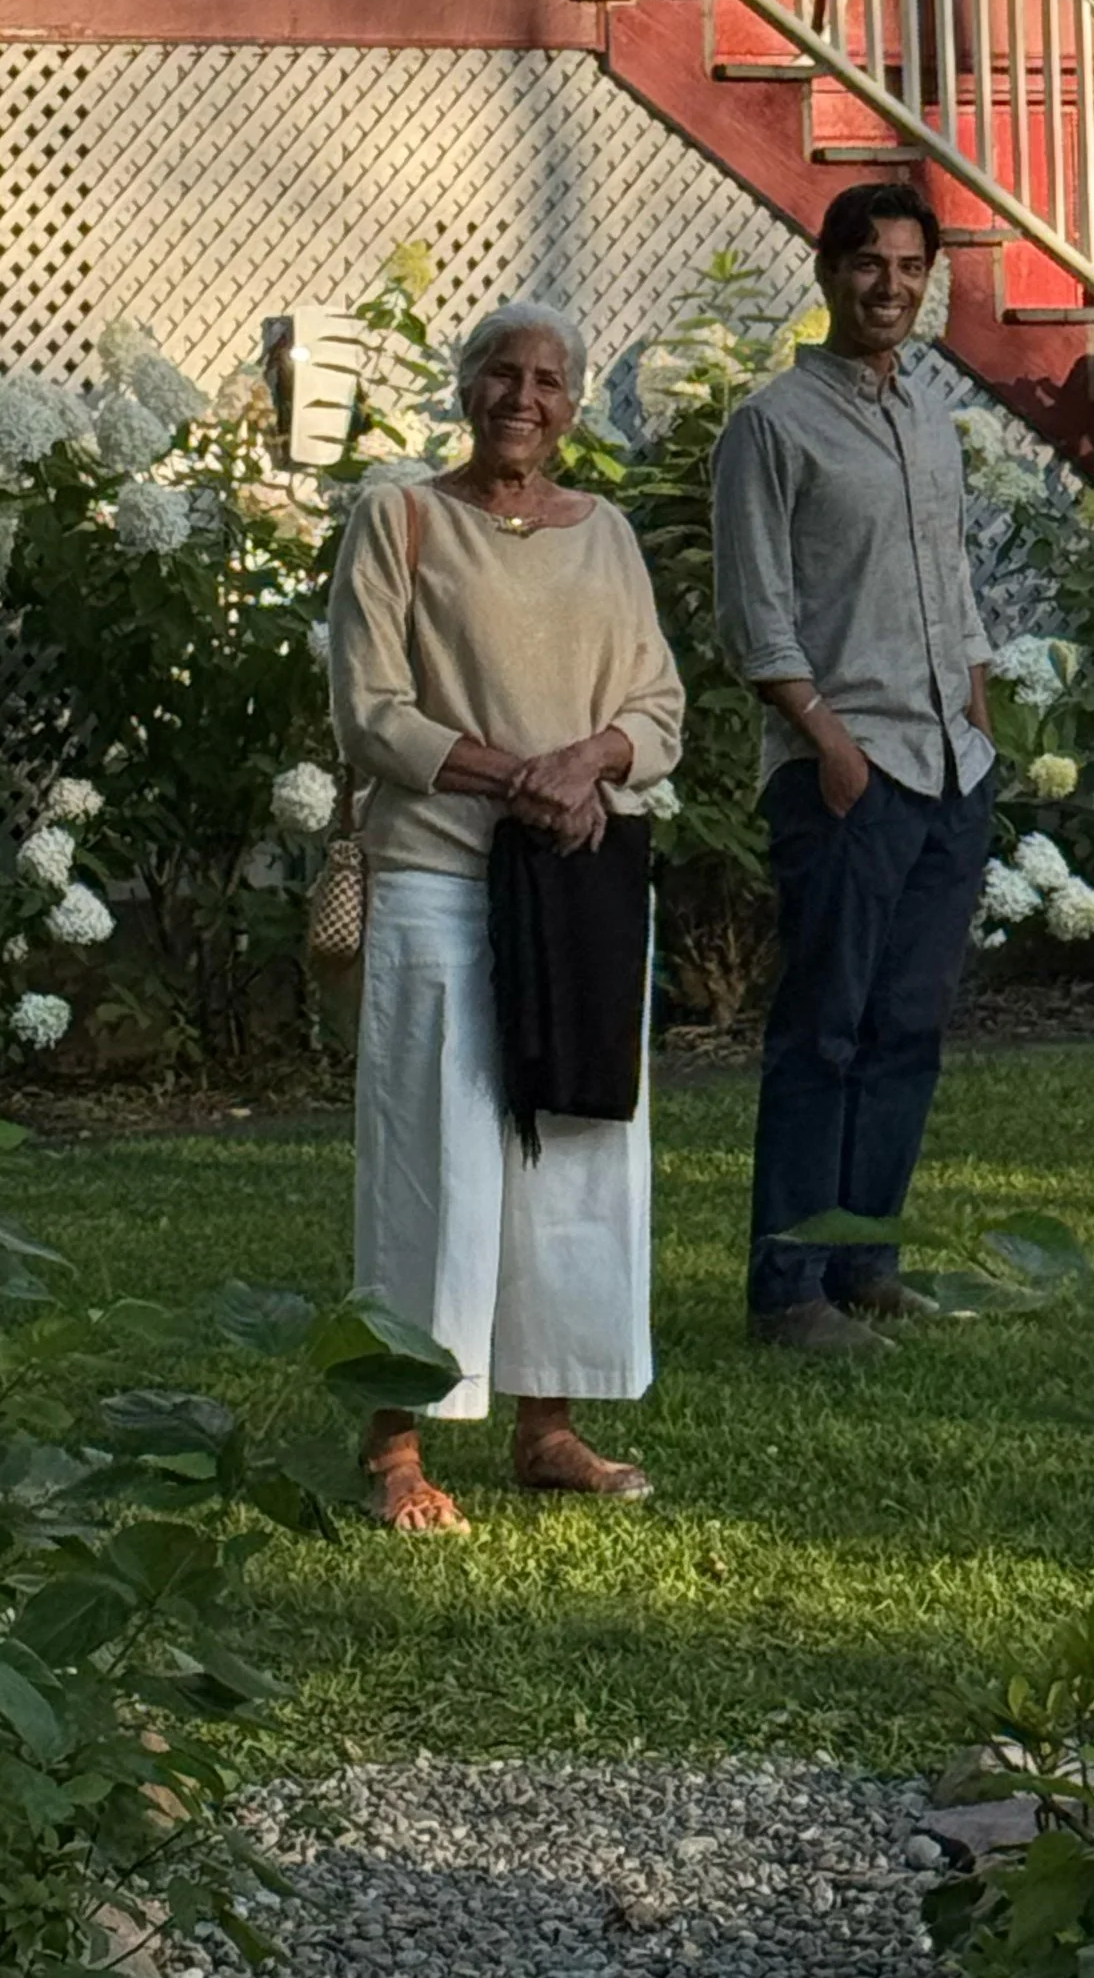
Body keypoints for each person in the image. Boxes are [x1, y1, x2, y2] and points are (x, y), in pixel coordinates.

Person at [328, 302, 686, 1532]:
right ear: (466, 387)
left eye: (548, 381)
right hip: (441, 870)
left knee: (581, 1147)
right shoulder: (403, 517)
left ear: (573, 406)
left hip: (582, 874)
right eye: (502, 374)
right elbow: (372, 713)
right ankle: (395, 1443)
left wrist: (586, 762)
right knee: (438, 1149)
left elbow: (661, 706)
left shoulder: (611, 536)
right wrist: (520, 779)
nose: (523, 397)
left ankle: (548, 1425)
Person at [712, 180, 997, 1355]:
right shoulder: (772, 425)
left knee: (908, 1026)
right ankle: (789, 1293)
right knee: (822, 1030)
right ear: (827, 272)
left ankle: (865, 1258)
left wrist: (979, 722)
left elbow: (957, 586)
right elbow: (753, 615)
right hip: (849, 770)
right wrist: (827, 743)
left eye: (910, 267)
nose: (891, 286)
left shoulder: (928, 410)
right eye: (870, 264)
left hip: (947, 766)